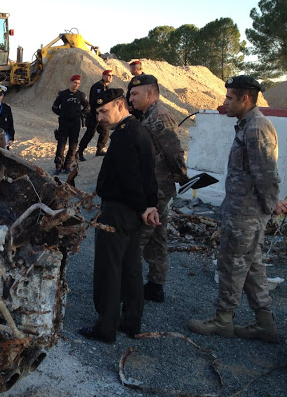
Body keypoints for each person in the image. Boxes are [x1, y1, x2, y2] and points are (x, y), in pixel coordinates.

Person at [188, 75, 280, 343]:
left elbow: (267, 175)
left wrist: (267, 209)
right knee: (251, 267)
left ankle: (223, 320)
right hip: (242, 210)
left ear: (245, 99)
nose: (224, 102)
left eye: (229, 98)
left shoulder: (256, 128)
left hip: (246, 214)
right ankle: (265, 324)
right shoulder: (246, 125)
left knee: (231, 265)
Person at [78, 88, 160, 344]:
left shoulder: (126, 134)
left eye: (104, 111)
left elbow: (131, 178)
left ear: (121, 105)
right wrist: (149, 206)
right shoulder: (139, 130)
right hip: (134, 211)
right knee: (130, 267)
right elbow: (149, 175)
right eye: (97, 112)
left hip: (118, 210)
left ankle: (106, 327)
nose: (100, 117)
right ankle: (131, 322)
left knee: (109, 268)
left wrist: (142, 206)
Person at [129, 74, 189, 303]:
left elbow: (173, 149)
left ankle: (129, 288)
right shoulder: (149, 115)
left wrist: (181, 175)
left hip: (157, 189)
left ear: (150, 93)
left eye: (135, 94)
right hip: (155, 187)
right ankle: (155, 285)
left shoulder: (159, 116)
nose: (131, 98)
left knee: (138, 237)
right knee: (156, 238)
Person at [52, 74, 90, 174]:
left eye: (78, 83)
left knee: (73, 146)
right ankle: (59, 166)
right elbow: (54, 107)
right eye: (74, 83)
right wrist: (63, 114)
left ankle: (67, 166)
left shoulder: (81, 95)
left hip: (75, 124)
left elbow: (87, 107)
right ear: (70, 82)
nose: (76, 85)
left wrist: (80, 114)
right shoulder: (62, 94)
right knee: (61, 145)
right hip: (64, 123)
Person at [77, 69, 113, 161]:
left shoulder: (106, 87)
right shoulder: (98, 86)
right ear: (103, 76)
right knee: (90, 133)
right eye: (108, 75)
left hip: (101, 115)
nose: (110, 77)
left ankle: (99, 149)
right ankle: (79, 152)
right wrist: (98, 113)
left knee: (105, 131)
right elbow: (96, 101)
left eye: (111, 76)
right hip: (94, 114)